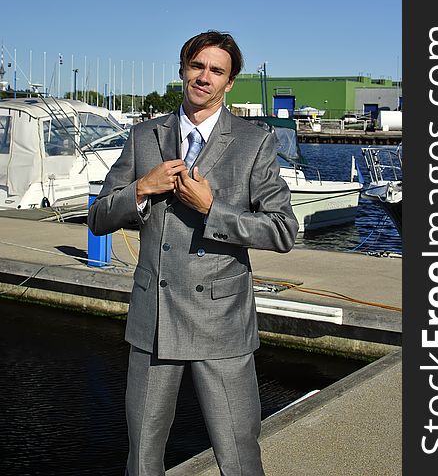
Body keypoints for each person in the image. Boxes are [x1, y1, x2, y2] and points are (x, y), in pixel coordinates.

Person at [88, 30, 298, 476]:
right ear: (183, 69)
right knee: (143, 459)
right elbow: (100, 217)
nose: (204, 77)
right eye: (197, 66)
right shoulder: (145, 136)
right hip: (154, 319)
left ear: (230, 83)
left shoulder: (254, 141)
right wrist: (142, 189)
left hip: (220, 322)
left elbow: (282, 231)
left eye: (216, 71)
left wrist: (211, 209)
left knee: (239, 459)